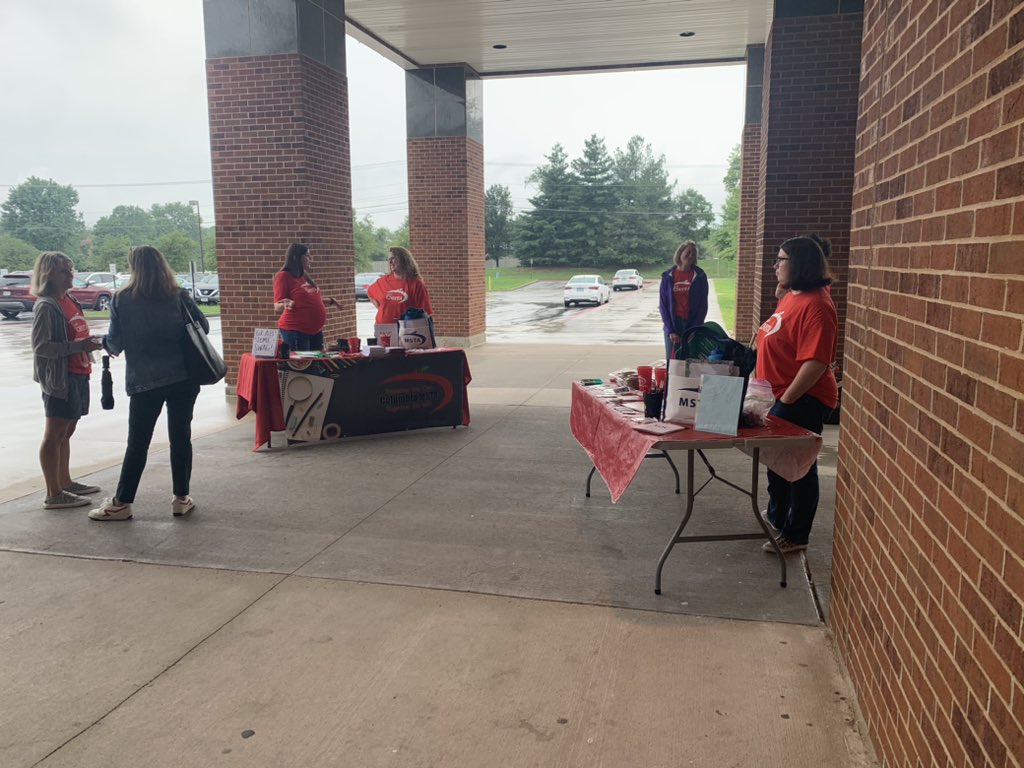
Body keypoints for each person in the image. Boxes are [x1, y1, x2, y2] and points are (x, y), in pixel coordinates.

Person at [88, 246, 207, 521]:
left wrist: (103, 341)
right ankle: (181, 497)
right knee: (180, 436)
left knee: (138, 443)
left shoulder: (121, 299)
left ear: (134, 267)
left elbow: (115, 343)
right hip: (183, 377)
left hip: (143, 381)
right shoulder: (178, 295)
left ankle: (122, 502)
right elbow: (203, 327)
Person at [756, 234, 839, 554]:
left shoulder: (818, 305)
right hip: (777, 395)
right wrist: (781, 296)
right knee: (777, 462)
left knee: (799, 468)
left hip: (803, 399)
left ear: (799, 264)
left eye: (781, 260)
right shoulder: (795, 295)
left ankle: (797, 534)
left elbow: (817, 362)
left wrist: (786, 400)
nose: (775, 265)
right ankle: (778, 516)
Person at [30, 251, 105, 509]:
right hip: (60, 378)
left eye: (71, 269)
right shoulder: (46, 305)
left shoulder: (70, 299)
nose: (70, 275)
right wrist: (77, 347)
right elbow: (41, 347)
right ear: (49, 275)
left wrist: (88, 345)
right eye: (64, 271)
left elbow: (75, 335)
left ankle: (65, 482)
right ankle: (53, 493)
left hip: (79, 372)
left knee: (68, 431)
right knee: (54, 434)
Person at [273, 242, 339, 351]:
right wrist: (286, 303)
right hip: (296, 331)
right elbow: (277, 306)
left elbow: (306, 300)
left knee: (318, 364)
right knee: (304, 366)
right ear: (296, 257)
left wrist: (331, 301)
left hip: (315, 331)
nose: (310, 259)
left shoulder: (302, 275)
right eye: (307, 256)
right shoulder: (283, 276)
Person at [658, 241, 709, 360]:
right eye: (688, 252)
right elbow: (663, 305)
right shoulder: (667, 276)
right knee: (673, 363)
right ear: (680, 253)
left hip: (691, 324)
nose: (691, 256)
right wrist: (670, 330)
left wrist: (695, 329)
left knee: (690, 361)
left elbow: (703, 306)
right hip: (673, 324)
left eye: (694, 254)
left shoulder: (700, 276)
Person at [367, 246, 433, 324]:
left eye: (393, 258)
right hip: (383, 329)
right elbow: (370, 293)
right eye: (389, 259)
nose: (390, 262)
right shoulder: (382, 281)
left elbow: (425, 313)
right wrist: (381, 308)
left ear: (404, 260)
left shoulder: (416, 284)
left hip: (407, 330)